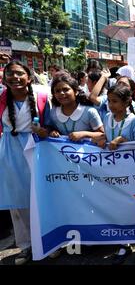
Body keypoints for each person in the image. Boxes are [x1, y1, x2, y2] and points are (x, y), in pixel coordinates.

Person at [0, 61, 50, 265]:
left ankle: (47, 242)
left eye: (20, 73)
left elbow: (50, 125)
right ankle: (25, 246)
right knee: (17, 203)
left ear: (29, 77)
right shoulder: (1, 99)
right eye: (10, 74)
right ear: (4, 79)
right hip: (10, 152)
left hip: (36, 149)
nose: (15, 77)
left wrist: (45, 131)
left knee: (41, 199)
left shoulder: (42, 96)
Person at [94, 84, 135, 264]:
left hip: (131, 171)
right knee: (120, 206)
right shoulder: (106, 117)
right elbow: (104, 137)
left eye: (115, 101)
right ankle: (124, 243)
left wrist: (123, 139)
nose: (110, 105)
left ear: (127, 102)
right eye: (109, 101)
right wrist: (102, 140)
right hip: (113, 171)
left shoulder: (134, 120)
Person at [48, 74, 104, 142]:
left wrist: (84, 134)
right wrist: (52, 132)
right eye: (57, 91)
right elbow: (50, 128)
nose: (61, 93)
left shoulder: (89, 112)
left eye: (66, 89)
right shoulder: (53, 112)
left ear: (76, 91)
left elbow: (103, 135)